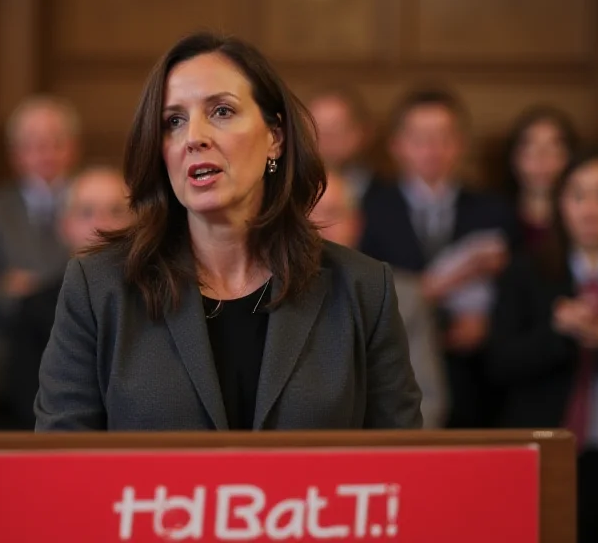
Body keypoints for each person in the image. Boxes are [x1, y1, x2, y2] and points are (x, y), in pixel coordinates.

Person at [35, 32, 422, 432]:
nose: (194, 137)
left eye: (221, 111)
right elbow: (60, 469)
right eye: (173, 121)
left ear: (275, 137)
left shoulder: (363, 289)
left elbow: (403, 470)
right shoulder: (98, 289)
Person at [487, 149, 598, 542]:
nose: (590, 209)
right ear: (560, 203)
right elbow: (498, 364)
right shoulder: (525, 271)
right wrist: (557, 334)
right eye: (578, 195)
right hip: (546, 451)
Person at [359, 87, 515, 428]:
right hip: (403, 372)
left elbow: (517, 290)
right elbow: (366, 291)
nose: (432, 149)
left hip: (479, 378)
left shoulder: (493, 210)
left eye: (444, 137)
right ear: (397, 145)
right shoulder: (370, 211)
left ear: (460, 144)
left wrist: (488, 321)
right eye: (420, 138)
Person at [0, 95, 80, 427]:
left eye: (55, 142)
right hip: (6, 360)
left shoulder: (91, 199)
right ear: (15, 154)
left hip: (74, 350)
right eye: (33, 144)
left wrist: (31, 287)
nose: (45, 153)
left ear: (73, 147)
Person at [311, 172, 447, 427]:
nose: (319, 225)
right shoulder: (268, 292)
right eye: (308, 213)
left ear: (356, 223)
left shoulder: (403, 295)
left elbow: (426, 401)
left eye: (332, 213)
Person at [5, 167, 132, 428]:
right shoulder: (34, 309)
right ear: (65, 226)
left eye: (116, 211)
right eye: (87, 213)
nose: (102, 225)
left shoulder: (160, 301)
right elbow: (30, 408)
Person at [504, 105, 580, 253]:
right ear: (514, 158)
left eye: (553, 150)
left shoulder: (585, 221)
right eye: (531, 151)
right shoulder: (495, 221)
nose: (542, 160)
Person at [308, 86, 375, 203]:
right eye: (316, 130)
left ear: (362, 132)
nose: (325, 140)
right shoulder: (286, 192)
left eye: (336, 129)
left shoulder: (388, 197)